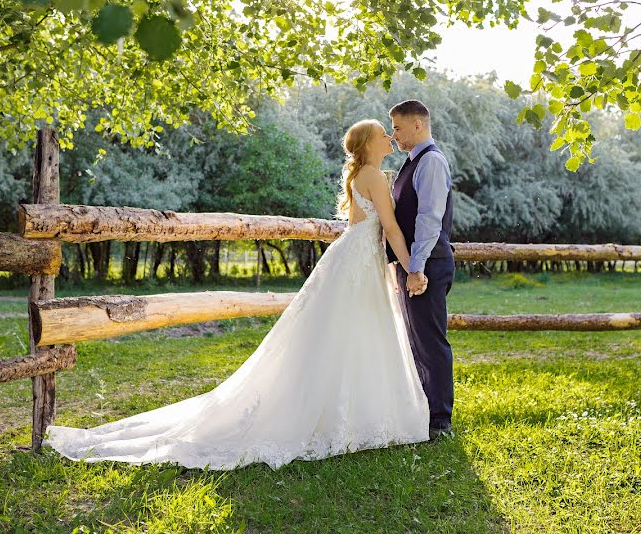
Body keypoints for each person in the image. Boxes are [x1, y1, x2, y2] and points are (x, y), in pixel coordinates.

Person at [44, 119, 430, 470]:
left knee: (349, 335)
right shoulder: (375, 176)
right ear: (368, 143)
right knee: (352, 334)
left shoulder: (367, 174)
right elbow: (392, 230)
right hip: (358, 263)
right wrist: (413, 268)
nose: (389, 137)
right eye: (384, 133)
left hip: (355, 260)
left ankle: (351, 411)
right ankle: (344, 415)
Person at [387, 100, 455, 440]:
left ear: (418, 125)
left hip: (427, 265)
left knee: (430, 342)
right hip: (413, 266)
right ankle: (424, 415)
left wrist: (416, 268)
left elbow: (429, 219)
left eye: (398, 128)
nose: (394, 135)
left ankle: (440, 422)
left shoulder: (430, 162)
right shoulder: (411, 163)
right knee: (417, 342)